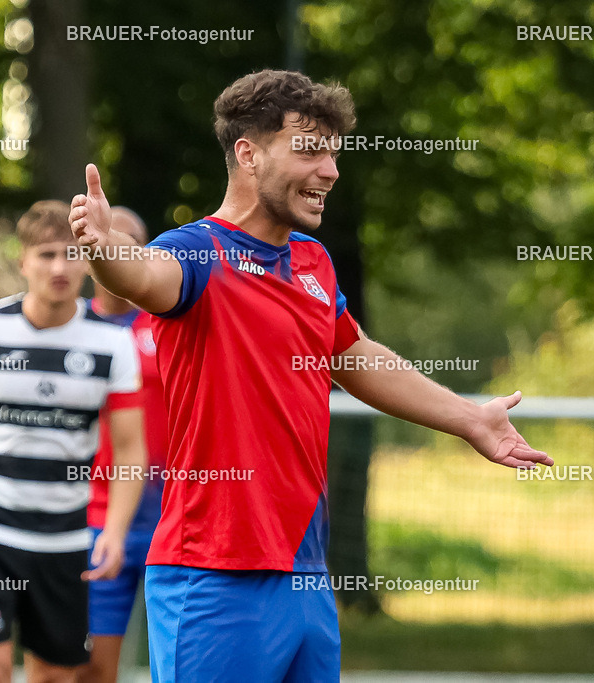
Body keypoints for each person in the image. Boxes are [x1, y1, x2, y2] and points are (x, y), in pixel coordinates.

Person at [69, 69, 552, 682]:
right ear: (248, 153)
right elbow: (140, 276)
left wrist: (469, 418)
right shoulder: (197, 252)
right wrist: (103, 247)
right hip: (215, 575)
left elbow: (356, 357)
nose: (330, 170)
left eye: (333, 152)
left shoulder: (313, 262)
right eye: (310, 149)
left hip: (306, 572)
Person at [0, 200, 146, 683]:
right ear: (22, 262)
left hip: (64, 537)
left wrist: (115, 531)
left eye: (71, 253)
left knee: (55, 677)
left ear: (89, 260)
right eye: (46, 254)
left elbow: (130, 447)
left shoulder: (111, 343)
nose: (60, 267)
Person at [80, 207, 168, 683]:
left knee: (180, 666)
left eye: (129, 241)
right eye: (106, 238)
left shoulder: (171, 326)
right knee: (91, 669)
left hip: (172, 523)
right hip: (92, 519)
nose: (116, 248)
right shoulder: (70, 330)